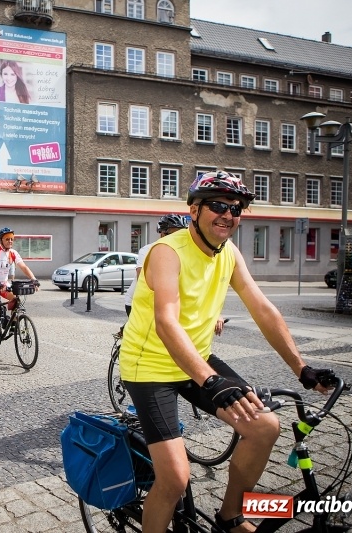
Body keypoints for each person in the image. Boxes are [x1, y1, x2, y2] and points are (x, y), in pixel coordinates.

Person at [119, 171, 334, 533]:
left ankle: (230, 516)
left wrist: (302, 367)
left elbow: (263, 309)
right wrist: (211, 380)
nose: (228, 215)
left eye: (236, 209)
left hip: (197, 357)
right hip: (150, 368)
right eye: (218, 205)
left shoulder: (229, 253)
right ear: (194, 210)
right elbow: (166, 323)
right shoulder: (166, 252)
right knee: (175, 478)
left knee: (265, 427)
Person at [0, 227, 40, 346]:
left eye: (12, 239)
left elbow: (23, 266)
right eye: (7, 239)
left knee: (15, 300)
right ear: (1, 240)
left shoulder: (13, 253)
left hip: (3, 283)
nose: (10, 241)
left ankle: (12, 324)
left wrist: (34, 279)